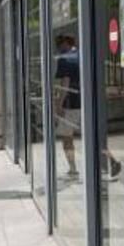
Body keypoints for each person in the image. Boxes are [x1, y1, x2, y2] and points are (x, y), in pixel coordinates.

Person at [52, 33, 81, 180]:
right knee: (94, 136)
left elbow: (65, 83)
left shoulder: (65, 58)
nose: (57, 47)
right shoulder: (82, 54)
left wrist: (59, 104)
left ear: (65, 43)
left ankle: (73, 169)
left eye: (59, 43)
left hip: (71, 103)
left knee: (67, 137)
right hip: (86, 102)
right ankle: (111, 162)